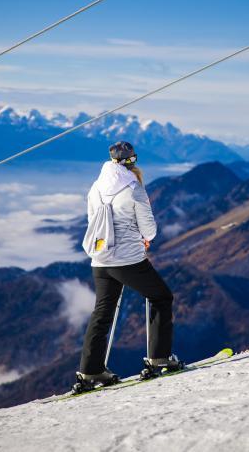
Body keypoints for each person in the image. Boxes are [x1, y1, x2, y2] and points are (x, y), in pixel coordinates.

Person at [76, 141, 180, 389]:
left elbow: (95, 222)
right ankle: (159, 358)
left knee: (102, 312)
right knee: (161, 297)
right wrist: (143, 239)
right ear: (132, 161)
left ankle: (91, 371)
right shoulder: (134, 188)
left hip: (100, 259)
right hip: (128, 259)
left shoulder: (95, 187)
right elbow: (150, 230)